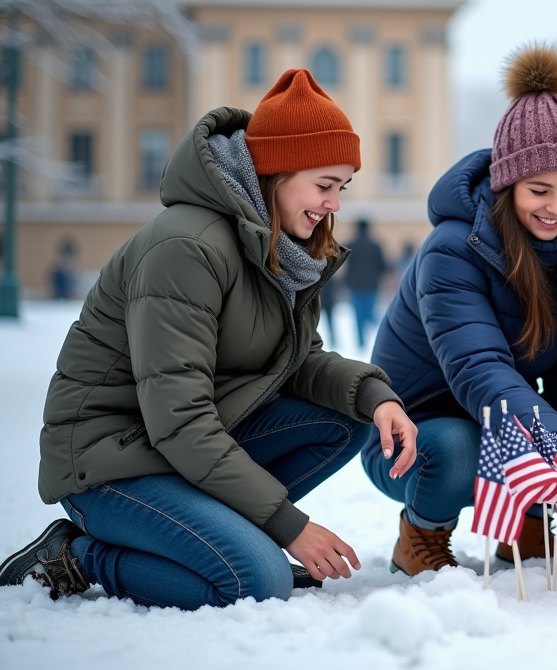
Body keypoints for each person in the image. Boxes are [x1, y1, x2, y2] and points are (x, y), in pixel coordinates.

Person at [0, 69, 417, 610]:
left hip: (179, 446)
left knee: (345, 418)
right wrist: (287, 525)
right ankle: (79, 556)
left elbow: (296, 361)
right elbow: (177, 416)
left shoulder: (281, 248)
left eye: (343, 186)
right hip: (110, 460)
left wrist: (374, 396)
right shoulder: (187, 248)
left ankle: (217, 536)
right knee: (257, 582)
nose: (335, 204)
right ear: (275, 173)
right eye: (324, 185)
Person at [364, 45, 557, 576]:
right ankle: (420, 535)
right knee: (460, 443)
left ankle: (528, 529)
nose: (556, 207)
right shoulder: (453, 251)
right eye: (539, 190)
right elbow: (480, 370)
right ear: (507, 186)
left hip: (505, 421)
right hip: (414, 437)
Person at [343, 219, 389, 348]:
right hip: (372, 285)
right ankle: (376, 338)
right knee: (370, 312)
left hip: (355, 285)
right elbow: (383, 266)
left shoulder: (350, 245)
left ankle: (361, 342)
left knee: (358, 314)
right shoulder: (376, 246)